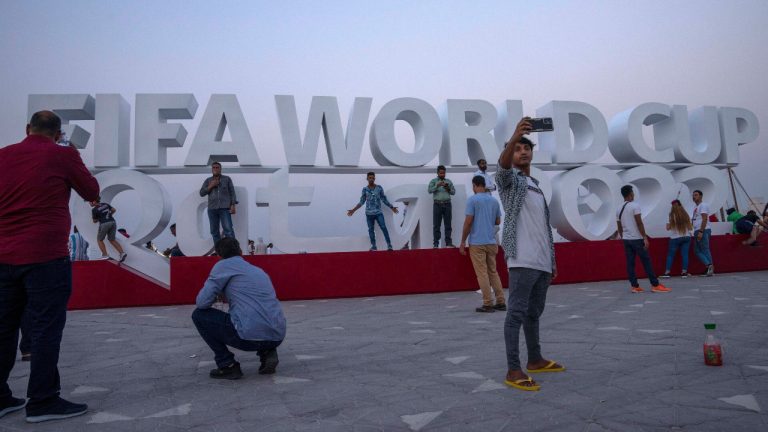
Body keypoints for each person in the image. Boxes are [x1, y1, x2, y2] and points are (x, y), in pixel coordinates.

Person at [0, 110, 99, 422]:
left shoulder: (3, 156)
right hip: (44, 256)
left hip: (3, 255)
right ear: (57, 134)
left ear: (27, 128)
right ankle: (42, 401)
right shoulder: (62, 155)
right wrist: (73, 156)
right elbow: (92, 192)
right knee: (44, 328)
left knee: (3, 328)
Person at [496, 118, 563, 392]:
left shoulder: (535, 184)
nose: (523, 152)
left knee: (533, 314)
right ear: (511, 153)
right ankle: (514, 368)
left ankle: (535, 359)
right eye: (517, 149)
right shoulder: (510, 181)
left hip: (541, 261)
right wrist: (513, 135)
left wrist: (552, 261)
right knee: (516, 314)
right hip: (521, 258)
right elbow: (500, 169)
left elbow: (542, 225)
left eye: (527, 148)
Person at [192, 238, 286, 380]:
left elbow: (202, 302)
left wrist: (219, 292)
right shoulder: (258, 271)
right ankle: (267, 351)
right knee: (256, 315)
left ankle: (227, 364)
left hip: (249, 337)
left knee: (199, 315)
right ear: (241, 252)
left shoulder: (222, 266)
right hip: (277, 335)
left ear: (218, 254)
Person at [459, 175, 505, 312]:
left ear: (474, 185)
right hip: (491, 242)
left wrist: (462, 241)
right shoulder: (493, 201)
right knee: (493, 272)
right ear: (484, 185)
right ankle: (501, 301)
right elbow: (497, 222)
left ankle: (487, 303)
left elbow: (468, 222)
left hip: (477, 243)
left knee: (482, 274)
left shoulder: (472, 200)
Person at [617, 185, 670, 293]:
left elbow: (619, 226)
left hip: (627, 239)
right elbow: (639, 223)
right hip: (637, 239)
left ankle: (635, 286)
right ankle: (655, 285)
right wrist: (645, 237)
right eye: (633, 192)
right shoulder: (634, 206)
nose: (634, 194)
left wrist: (623, 237)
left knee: (630, 263)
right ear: (630, 194)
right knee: (646, 261)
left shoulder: (618, 208)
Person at [347, 172, 399, 251]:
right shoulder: (365, 189)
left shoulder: (379, 188)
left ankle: (389, 245)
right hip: (369, 214)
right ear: (367, 179)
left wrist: (392, 207)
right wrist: (353, 210)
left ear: (374, 178)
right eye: (370, 178)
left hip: (378, 213)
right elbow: (361, 201)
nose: (371, 179)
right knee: (371, 230)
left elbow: (384, 199)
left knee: (383, 227)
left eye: (373, 178)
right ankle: (374, 246)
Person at [199, 162, 237, 247]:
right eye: (214, 167)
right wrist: (211, 186)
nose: (216, 169)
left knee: (228, 229)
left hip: (224, 208)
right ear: (212, 169)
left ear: (220, 169)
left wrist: (233, 205)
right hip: (212, 209)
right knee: (214, 231)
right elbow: (201, 193)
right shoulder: (208, 180)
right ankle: (219, 251)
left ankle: (234, 249)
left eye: (217, 167)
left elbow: (232, 192)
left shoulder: (227, 179)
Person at [661, 200, 693, 278]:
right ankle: (684, 272)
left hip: (675, 238)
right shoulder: (685, 214)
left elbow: (668, 228)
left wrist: (673, 224)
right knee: (685, 255)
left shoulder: (671, 215)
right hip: (686, 237)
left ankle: (667, 272)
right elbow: (690, 226)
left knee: (670, 255)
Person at [90, 198, 127, 262]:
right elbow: (114, 210)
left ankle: (105, 255)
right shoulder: (105, 204)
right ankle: (122, 253)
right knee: (112, 239)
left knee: (99, 240)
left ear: (94, 201)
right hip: (113, 222)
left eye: (90, 202)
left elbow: (94, 221)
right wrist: (109, 215)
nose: (89, 203)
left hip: (104, 224)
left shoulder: (94, 209)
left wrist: (101, 218)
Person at [428, 165, 456, 248]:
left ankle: (448, 243)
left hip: (447, 204)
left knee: (448, 224)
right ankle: (436, 244)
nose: (442, 174)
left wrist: (447, 188)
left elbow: (453, 192)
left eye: (444, 173)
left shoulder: (448, 181)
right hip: (437, 204)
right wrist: (437, 185)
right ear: (437, 173)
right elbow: (429, 190)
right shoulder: (433, 181)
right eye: (441, 173)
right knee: (436, 225)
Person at [690, 190, 714, 276]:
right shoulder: (696, 207)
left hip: (702, 230)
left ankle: (709, 267)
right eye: (693, 195)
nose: (694, 197)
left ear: (701, 196)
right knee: (698, 250)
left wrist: (701, 231)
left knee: (704, 249)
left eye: (696, 195)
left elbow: (704, 219)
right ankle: (709, 267)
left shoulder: (703, 205)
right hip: (698, 230)